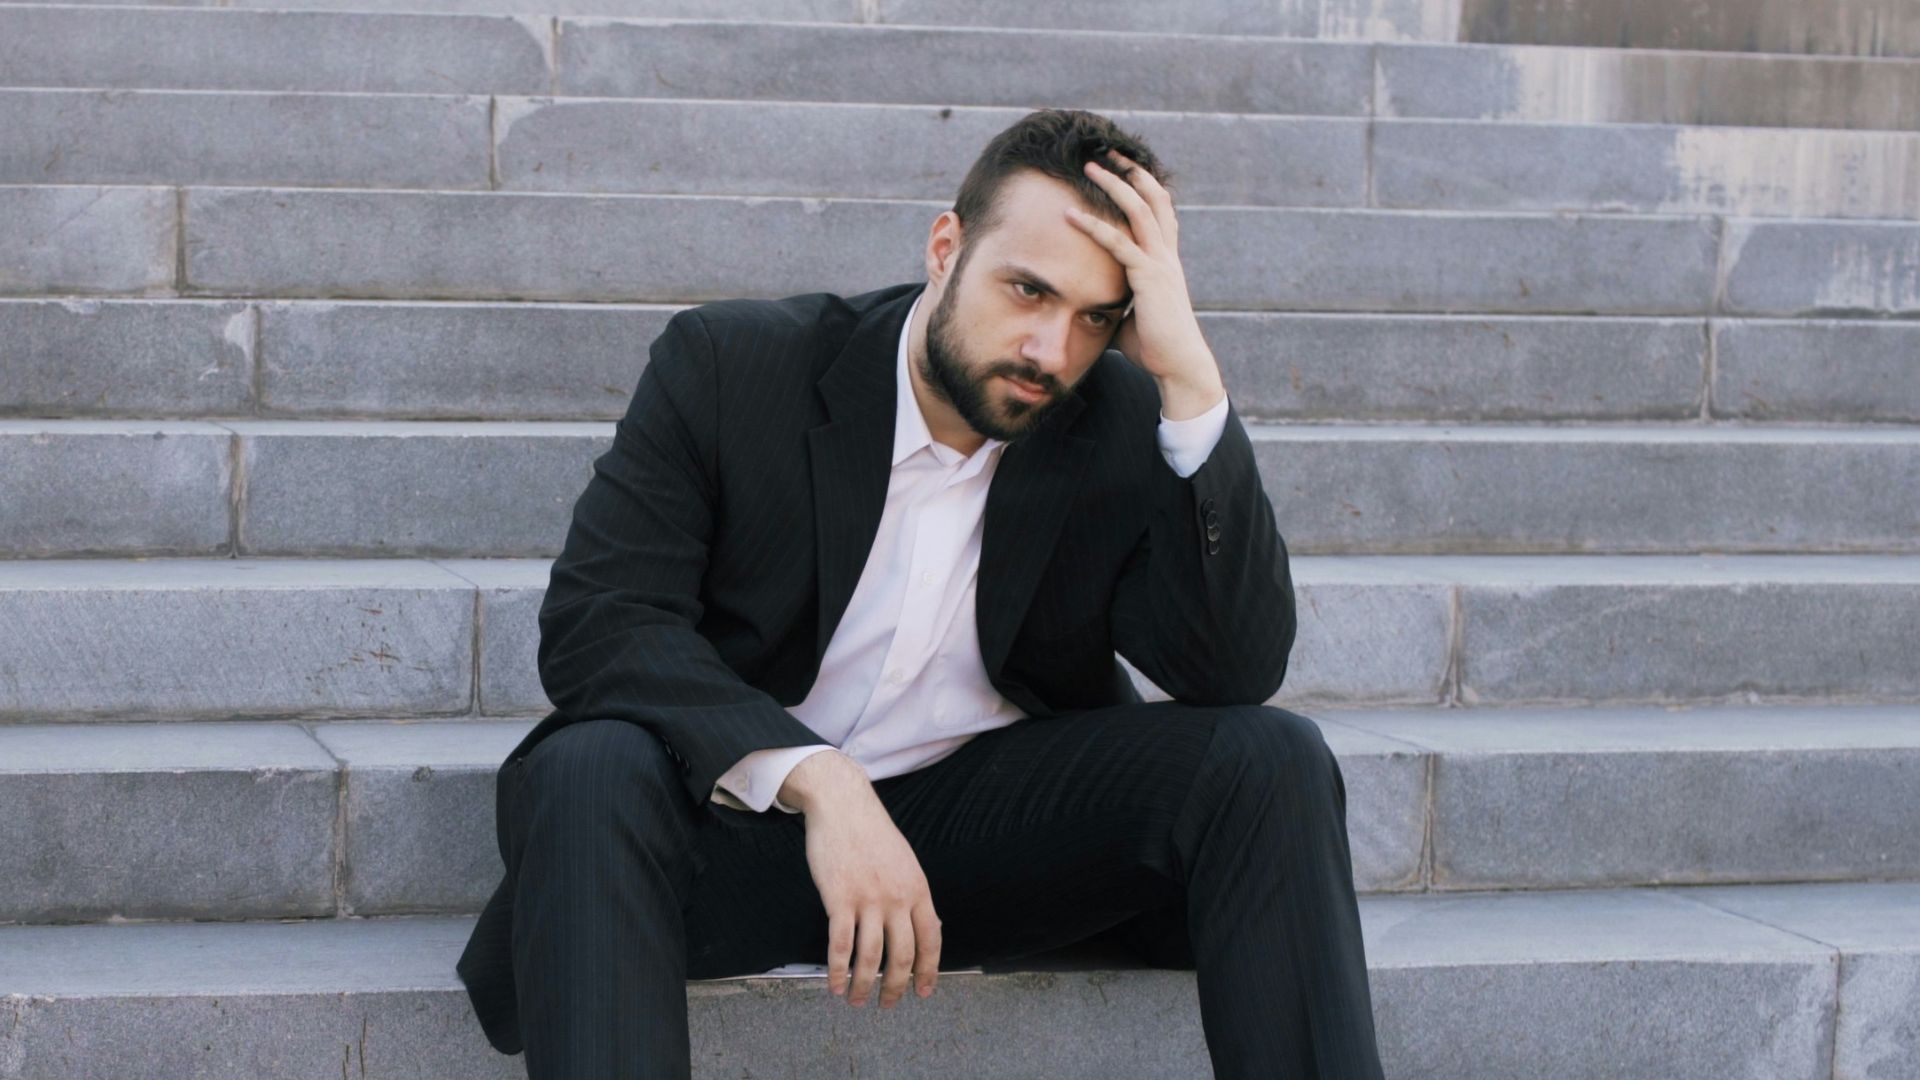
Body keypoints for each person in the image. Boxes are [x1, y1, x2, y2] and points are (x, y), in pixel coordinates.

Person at [456, 107, 1386, 1079]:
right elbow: (600, 625)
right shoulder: (735, 366)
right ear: (947, 246)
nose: (1050, 349)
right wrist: (820, 780)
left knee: (1271, 755)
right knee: (589, 767)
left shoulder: (1109, 413)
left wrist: (1189, 384)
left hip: (978, 841)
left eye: (1094, 317)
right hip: (735, 834)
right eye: (1027, 290)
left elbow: (1231, 667)